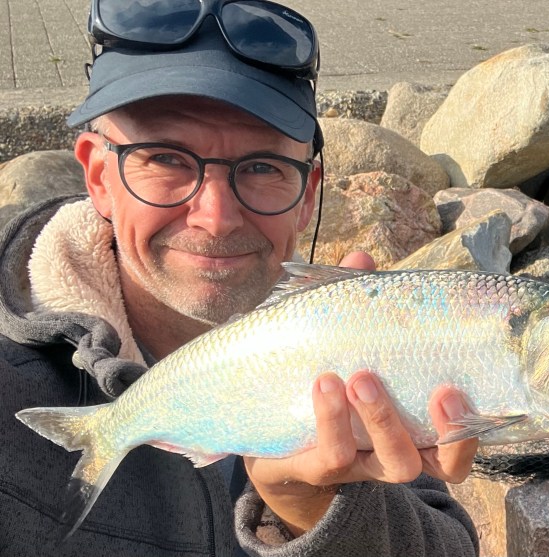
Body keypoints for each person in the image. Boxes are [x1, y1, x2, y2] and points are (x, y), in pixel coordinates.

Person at [0, 1, 480, 555]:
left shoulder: (358, 343)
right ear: (99, 177)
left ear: (308, 196)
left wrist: (305, 509)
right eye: (166, 159)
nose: (216, 218)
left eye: (262, 168)